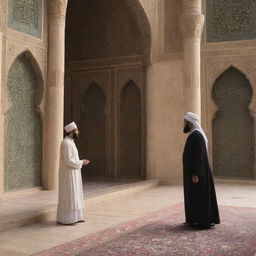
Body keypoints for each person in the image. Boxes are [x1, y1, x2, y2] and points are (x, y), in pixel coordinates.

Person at [182, 112, 220, 229]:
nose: (184, 124)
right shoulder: (195, 135)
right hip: (195, 172)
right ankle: (194, 218)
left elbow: (198, 156)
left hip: (197, 173)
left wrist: (196, 173)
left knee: (199, 196)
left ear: (190, 122)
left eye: (185, 122)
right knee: (194, 195)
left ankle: (203, 221)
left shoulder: (196, 136)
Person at [57, 121, 90, 225]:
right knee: (70, 196)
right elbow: (68, 161)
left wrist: (79, 163)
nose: (77, 132)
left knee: (75, 195)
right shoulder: (66, 143)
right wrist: (82, 162)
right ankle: (67, 219)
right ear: (71, 132)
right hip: (68, 174)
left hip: (74, 172)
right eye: (76, 130)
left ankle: (77, 217)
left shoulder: (71, 142)